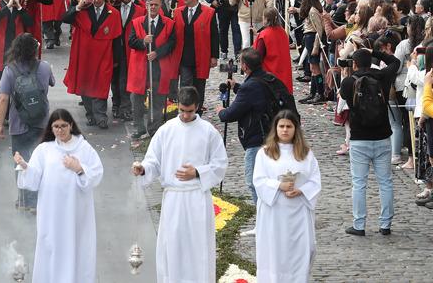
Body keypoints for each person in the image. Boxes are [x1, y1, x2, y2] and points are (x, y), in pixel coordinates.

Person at [132, 87, 228, 283]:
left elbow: (220, 164)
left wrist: (198, 172)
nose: (185, 115)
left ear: (197, 108)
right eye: (182, 111)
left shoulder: (208, 132)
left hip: (197, 198)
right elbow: (153, 161)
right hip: (174, 198)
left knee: (197, 248)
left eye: (190, 111)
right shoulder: (166, 130)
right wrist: (143, 169)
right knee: (173, 247)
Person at [14, 109, 104, 283]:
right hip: (51, 211)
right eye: (56, 126)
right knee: (51, 247)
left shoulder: (84, 148)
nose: (60, 130)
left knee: (76, 247)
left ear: (71, 125)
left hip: (76, 211)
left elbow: (97, 174)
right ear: (51, 128)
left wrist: (78, 168)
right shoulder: (44, 149)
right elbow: (33, 178)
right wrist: (24, 166)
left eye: (63, 125)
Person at [254, 109, 321, 283]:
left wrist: (301, 190)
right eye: (281, 126)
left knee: (300, 252)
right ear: (275, 129)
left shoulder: (306, 154)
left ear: (295, 129)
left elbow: (315, 180)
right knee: (274, 253)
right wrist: (278, 186)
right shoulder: (265, 153)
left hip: (298, 212)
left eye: (288, 126)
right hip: (274, 213)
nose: (285, 130)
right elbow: (259, 180)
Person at [339, 47, 400, 236]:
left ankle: (359, 224)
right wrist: (376, 51)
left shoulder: (349, 82)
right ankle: (385, 224)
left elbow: (343, 98)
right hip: (382, 136)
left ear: (354, 64)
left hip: (359, 138)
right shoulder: (382, 77)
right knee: (385, 182)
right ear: (371, 61)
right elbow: (395, 62)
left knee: (359, 183)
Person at [0, 33, 55, 209]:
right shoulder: (44, 67)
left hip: (18, 124)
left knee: (21, 161)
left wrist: (0, 125)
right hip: (42, 123)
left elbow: (3, 99)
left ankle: (24, 200)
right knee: (41, 162)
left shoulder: (10, 70)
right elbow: (51, 83)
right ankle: (39, 198)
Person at [217, 48, 270, 220]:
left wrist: (221, 111)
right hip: (269, 135)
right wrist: (237, 87)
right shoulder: (264, 78)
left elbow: (231, 114)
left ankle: (264, 218)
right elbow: (253, 96)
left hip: (256, 138)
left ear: (245, 66)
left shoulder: (250, 86)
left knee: (253, 181)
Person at [62, 0, 122, 129]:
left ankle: (101, 117)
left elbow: (116, 39)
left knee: (101, 87)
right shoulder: (83, 9)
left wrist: (116, 59)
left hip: (103, 57)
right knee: (85, 86)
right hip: (84, 56)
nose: (96, 0)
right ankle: (90, 115)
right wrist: (77, 7)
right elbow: (65, 18)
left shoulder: (113, 13)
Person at [127, 0, 176, 139]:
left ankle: (154, 128)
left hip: (159, 67)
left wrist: (157, 53)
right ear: (147, 6)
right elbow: (131, 42)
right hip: (140, 67)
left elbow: (171, 43)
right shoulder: (137, 22)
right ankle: (139, 127)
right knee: (137, 98)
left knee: (158, 98)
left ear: (160, 6)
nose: (153, 7)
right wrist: (143, 41)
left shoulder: (169, 23)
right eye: (150, 5)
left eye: (155, 4)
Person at [173, 0, 219, 110]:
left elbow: (215, 35)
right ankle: (184, 109)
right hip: (184, 57)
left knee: (199, 85)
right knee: (185, 84)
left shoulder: (209, 13)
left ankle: (197, 110)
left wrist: (214, 56)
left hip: (201, 56)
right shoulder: (178, 12)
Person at [255, 7, 294, 93]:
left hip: (269, 74)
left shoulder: (264, 35)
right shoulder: (283, 32)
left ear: (266, 19)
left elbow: (258, 56)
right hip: (283, 72)